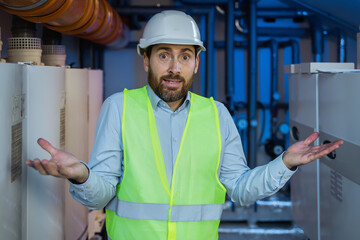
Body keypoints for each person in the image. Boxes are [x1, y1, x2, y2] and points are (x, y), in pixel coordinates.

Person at [26, 10, 343, 240]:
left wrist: (284, 163)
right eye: (164, 55)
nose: (175, 68)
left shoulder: (216, 115)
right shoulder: (119, 107)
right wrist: (81, 175)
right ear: (146, 59)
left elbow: (242, 190)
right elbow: (100, 195)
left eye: (185, 57)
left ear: (196, 63)